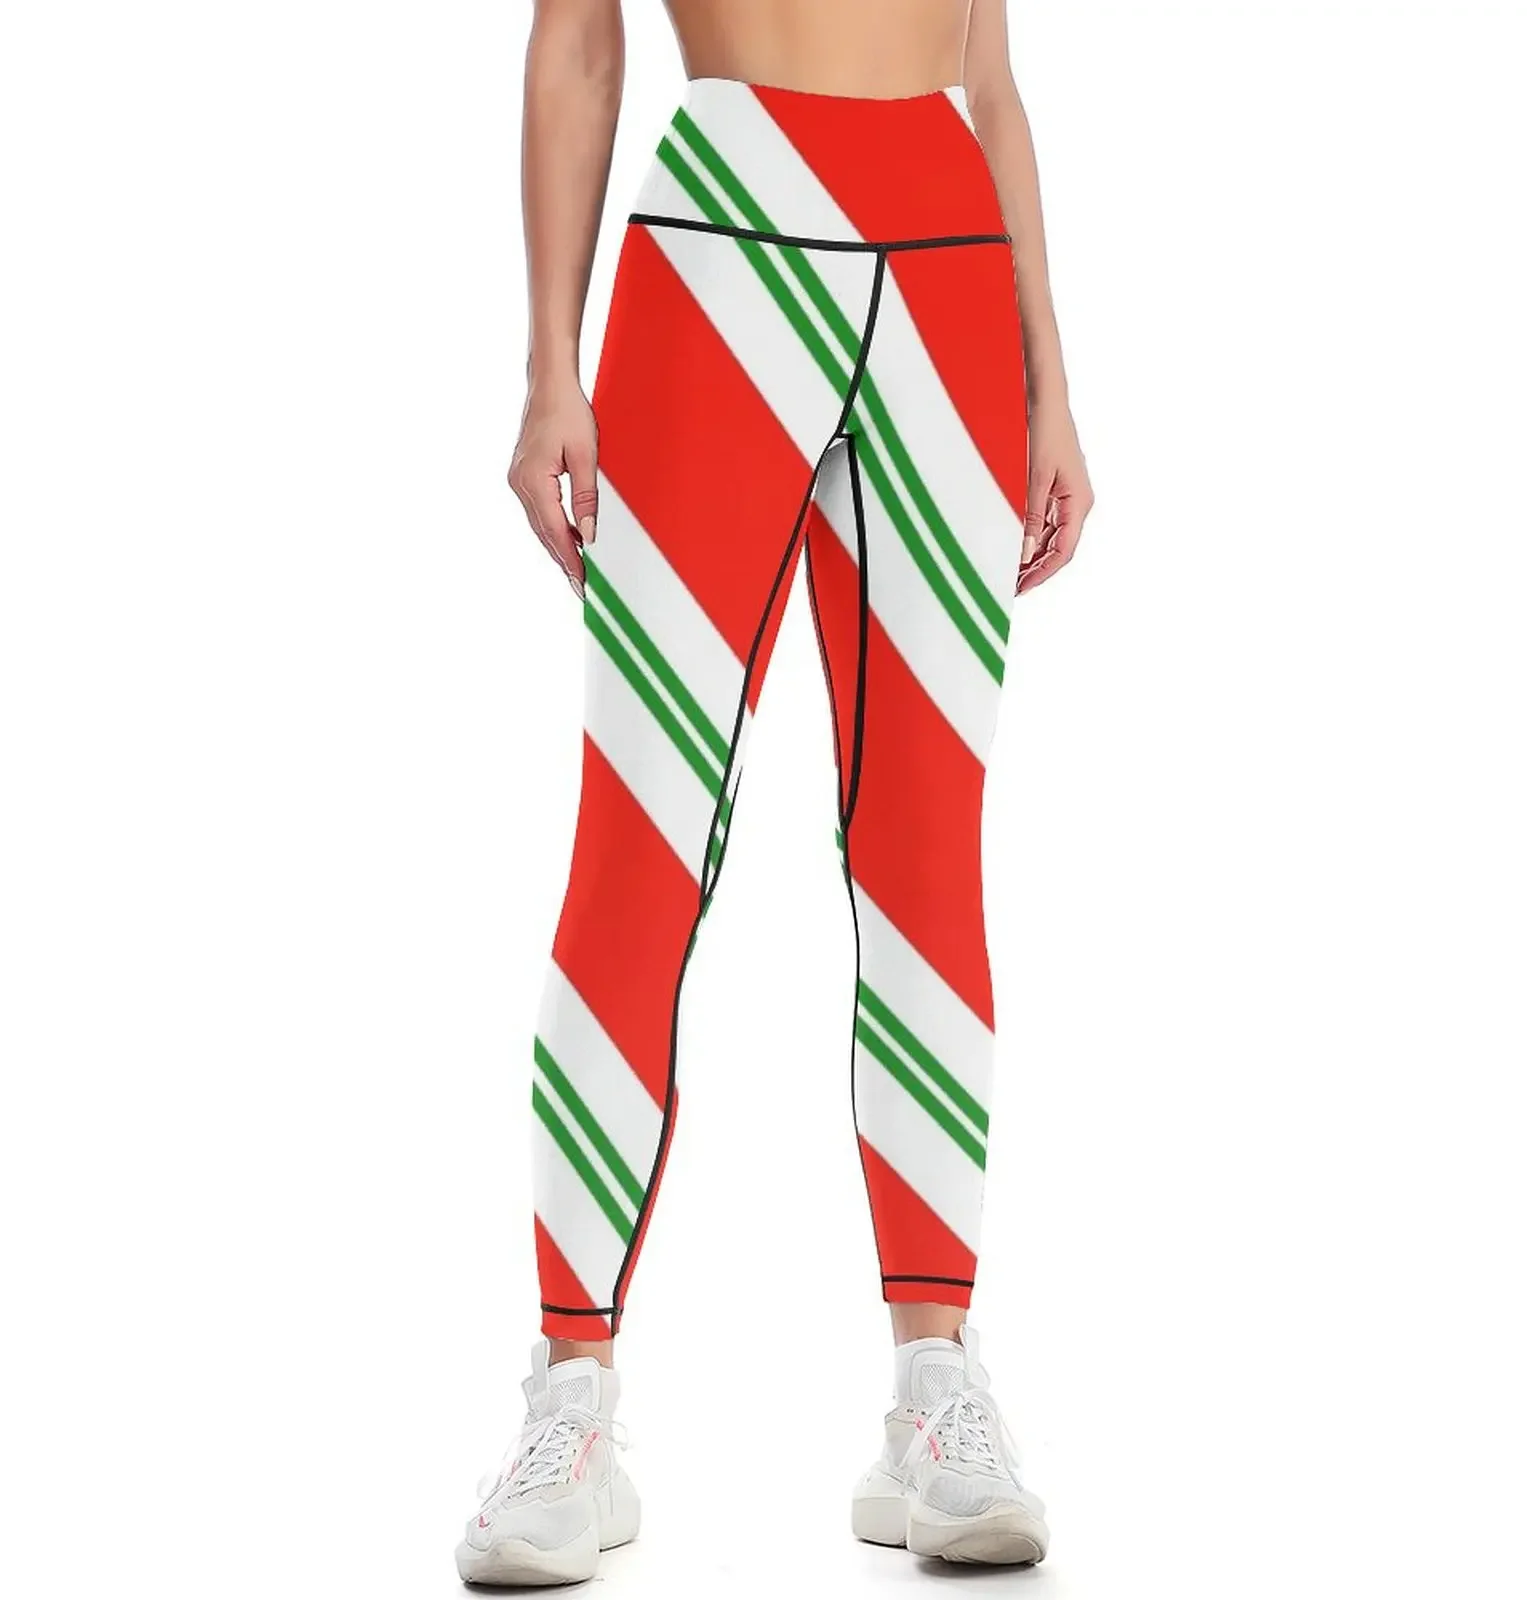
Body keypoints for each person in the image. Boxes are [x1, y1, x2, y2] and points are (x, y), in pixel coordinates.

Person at [458, 0, 1093, 1582]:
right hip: (721, 244)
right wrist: (550, 365)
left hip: (946, 270)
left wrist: (1053, 381)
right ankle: (571, 1399)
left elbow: (990, 74)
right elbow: (579, 41)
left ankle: (936, 1388)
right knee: (642, 833)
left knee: (927, 846)